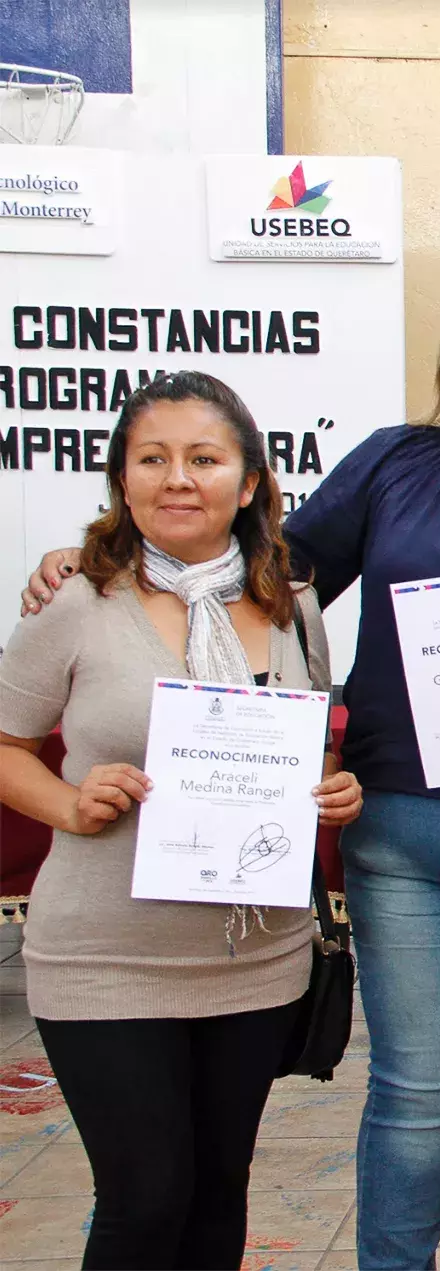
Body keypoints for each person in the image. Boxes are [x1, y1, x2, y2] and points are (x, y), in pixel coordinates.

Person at [23, 252, 440, 1271]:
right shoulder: (396, 461)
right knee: (420, 1092)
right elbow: (257, 574)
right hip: (411, 837)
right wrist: (103, 566)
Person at [0, 371, 363, 1270]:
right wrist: (70, 805)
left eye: (204, 458)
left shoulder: (291, 604)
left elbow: (311, 743)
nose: (177, 478)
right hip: (105, 958)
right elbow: (6, 744)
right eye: (152, 458)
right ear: (123, 479)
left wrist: (334, 789)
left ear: (248, 484)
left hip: (252, 960)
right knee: (143, 1199)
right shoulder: (79, 601)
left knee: (216, 1197)